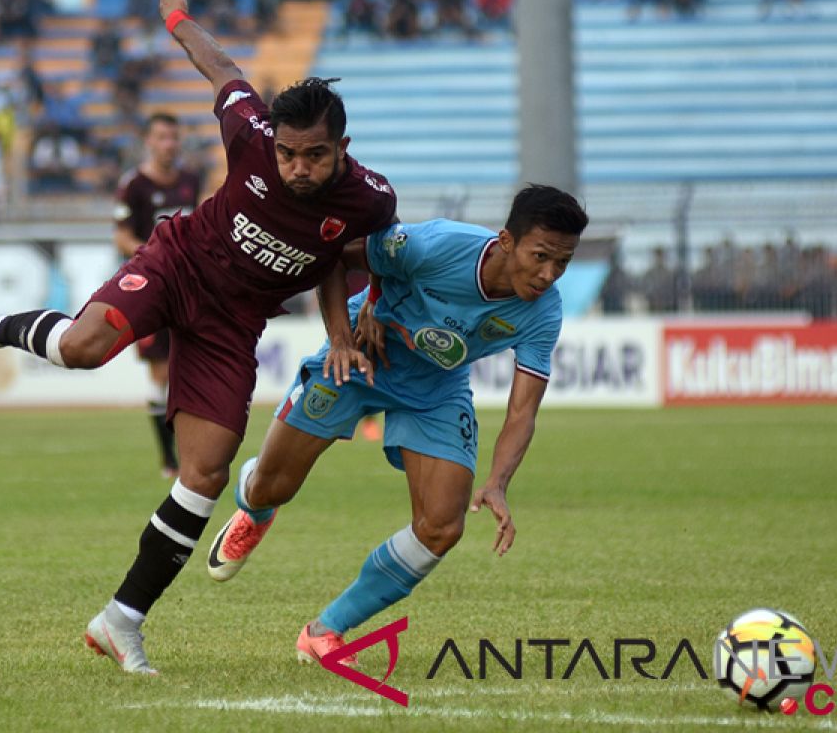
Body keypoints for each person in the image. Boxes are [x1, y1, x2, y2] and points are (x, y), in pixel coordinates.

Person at [0, 0, 397, 675]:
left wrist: (349, 325)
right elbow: (222, 65)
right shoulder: (252, 134)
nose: (295, 167)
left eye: (313, 156)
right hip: (179, 263)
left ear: (343, 151)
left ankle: (121, 620)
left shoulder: (370, 201)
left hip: (234, 324)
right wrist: (175, 17)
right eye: (288, 153)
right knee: (82, 348)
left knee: (204, 472)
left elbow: (340, 258)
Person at [205, 186, 588, 663]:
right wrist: (348, 331)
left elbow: (522, 410)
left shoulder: (544, 310)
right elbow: (336, 256)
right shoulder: (439, 244)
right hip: (362, 353)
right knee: (272, 487)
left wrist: (497, 482)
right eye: (541, 256)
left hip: (436, 384)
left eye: (563, 264)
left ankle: (325, 630)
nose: (549, 274)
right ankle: (255, 508)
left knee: (442, 527)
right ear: (507, 241)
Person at [113, 113, 202, 479]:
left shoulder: (189, 182)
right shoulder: (133, 185)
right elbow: (120, 235)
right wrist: (154, 257)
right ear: (149, 141)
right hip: (149, 290)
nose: (169, 144)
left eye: (174, 137)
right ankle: (169, 459)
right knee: (160, 372)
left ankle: (190, 455)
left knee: (190, 371)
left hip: (186, 288)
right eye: (162, 137)